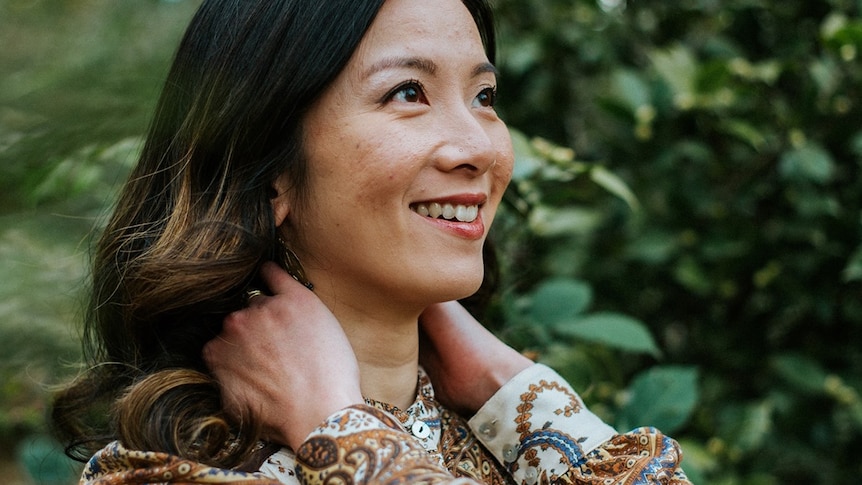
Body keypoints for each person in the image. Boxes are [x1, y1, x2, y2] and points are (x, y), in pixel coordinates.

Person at [51, 0, 692, 483]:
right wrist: (339, 430)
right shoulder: (177, 470)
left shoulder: (505, 440)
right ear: (270, 167)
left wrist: (512, 390)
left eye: (485, 96)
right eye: (408, 92)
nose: (479, 147)